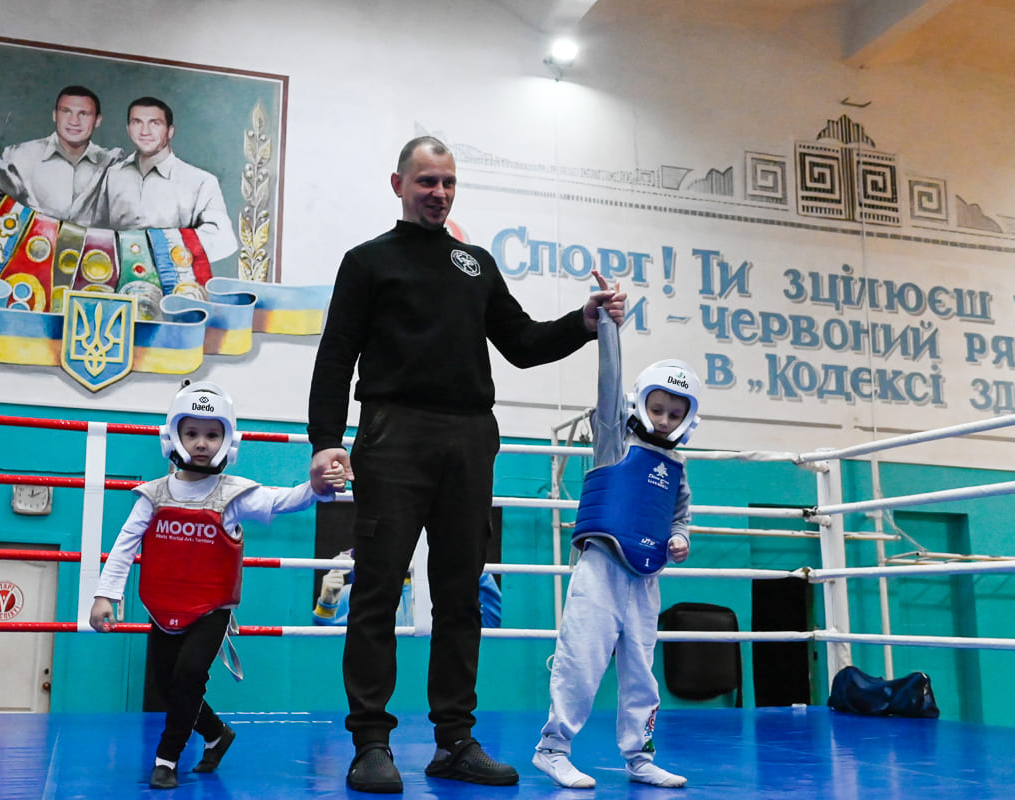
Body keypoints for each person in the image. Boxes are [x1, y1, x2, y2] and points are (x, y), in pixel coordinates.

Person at [306, 135, 625, 793]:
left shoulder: (475, 264)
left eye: (448, 182)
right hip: (393, 434)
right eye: (427, 181)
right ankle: (370, 743)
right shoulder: (367, 261)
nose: (439, 193)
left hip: (470, 438)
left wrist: (584, 319)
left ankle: (454, 741)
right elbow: (335, 355)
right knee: (376, 590)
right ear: (398, 184)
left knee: (461, 596)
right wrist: (325, 439)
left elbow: (523, 343)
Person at [90, 381, 346, 790]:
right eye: (192, 433)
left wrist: (316, 488)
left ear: (228, 439)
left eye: (212, 434)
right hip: (162, 605)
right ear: (174, 435)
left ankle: (166, 759)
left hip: (211, 609)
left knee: (190, 674)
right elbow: (124, 546)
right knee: (169, 683)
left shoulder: (233, 495)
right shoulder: (152, 496)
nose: (201, 443)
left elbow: (281, 501)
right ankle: (215, 733)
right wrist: (106, 595)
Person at [532, 274, 700, 790]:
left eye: (675, 413)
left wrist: (680, 539)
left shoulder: (677, 467)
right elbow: (609, 383)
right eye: (657, 408)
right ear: (641, 403)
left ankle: (639, 757)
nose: (664, 419)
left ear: (687, 418)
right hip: (601, 568)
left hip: (645, 578)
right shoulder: (613, 439)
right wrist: (607, 324)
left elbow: (679, 517)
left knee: (642, 672)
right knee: (581, 660)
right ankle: (553, 748)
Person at [95, 97, 237, 263]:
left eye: (155, 123)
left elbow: (222, 239)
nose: (145, 131)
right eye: (137, 122)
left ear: (170, 131)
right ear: (128, 129)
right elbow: (97, 232)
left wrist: (164, 246)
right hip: (118, 275)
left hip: (174, 275)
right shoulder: (113, 175)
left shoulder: (201, 182)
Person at [0, 85, 121, 228]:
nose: (74, 121)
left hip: (94, 248)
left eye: (84, 114)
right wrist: (26, 230)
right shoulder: (20, 156)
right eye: (66, 111)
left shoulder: (113, 163)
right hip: (32, 246)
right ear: (55, 115)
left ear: (98, 120)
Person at [312, 549, 501, 628]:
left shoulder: (446, 593)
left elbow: (491, 625)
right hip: (375, 681)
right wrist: (326, 604)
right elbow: (325, 649)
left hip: (430, 682)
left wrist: (472, 562)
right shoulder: (351, 592)